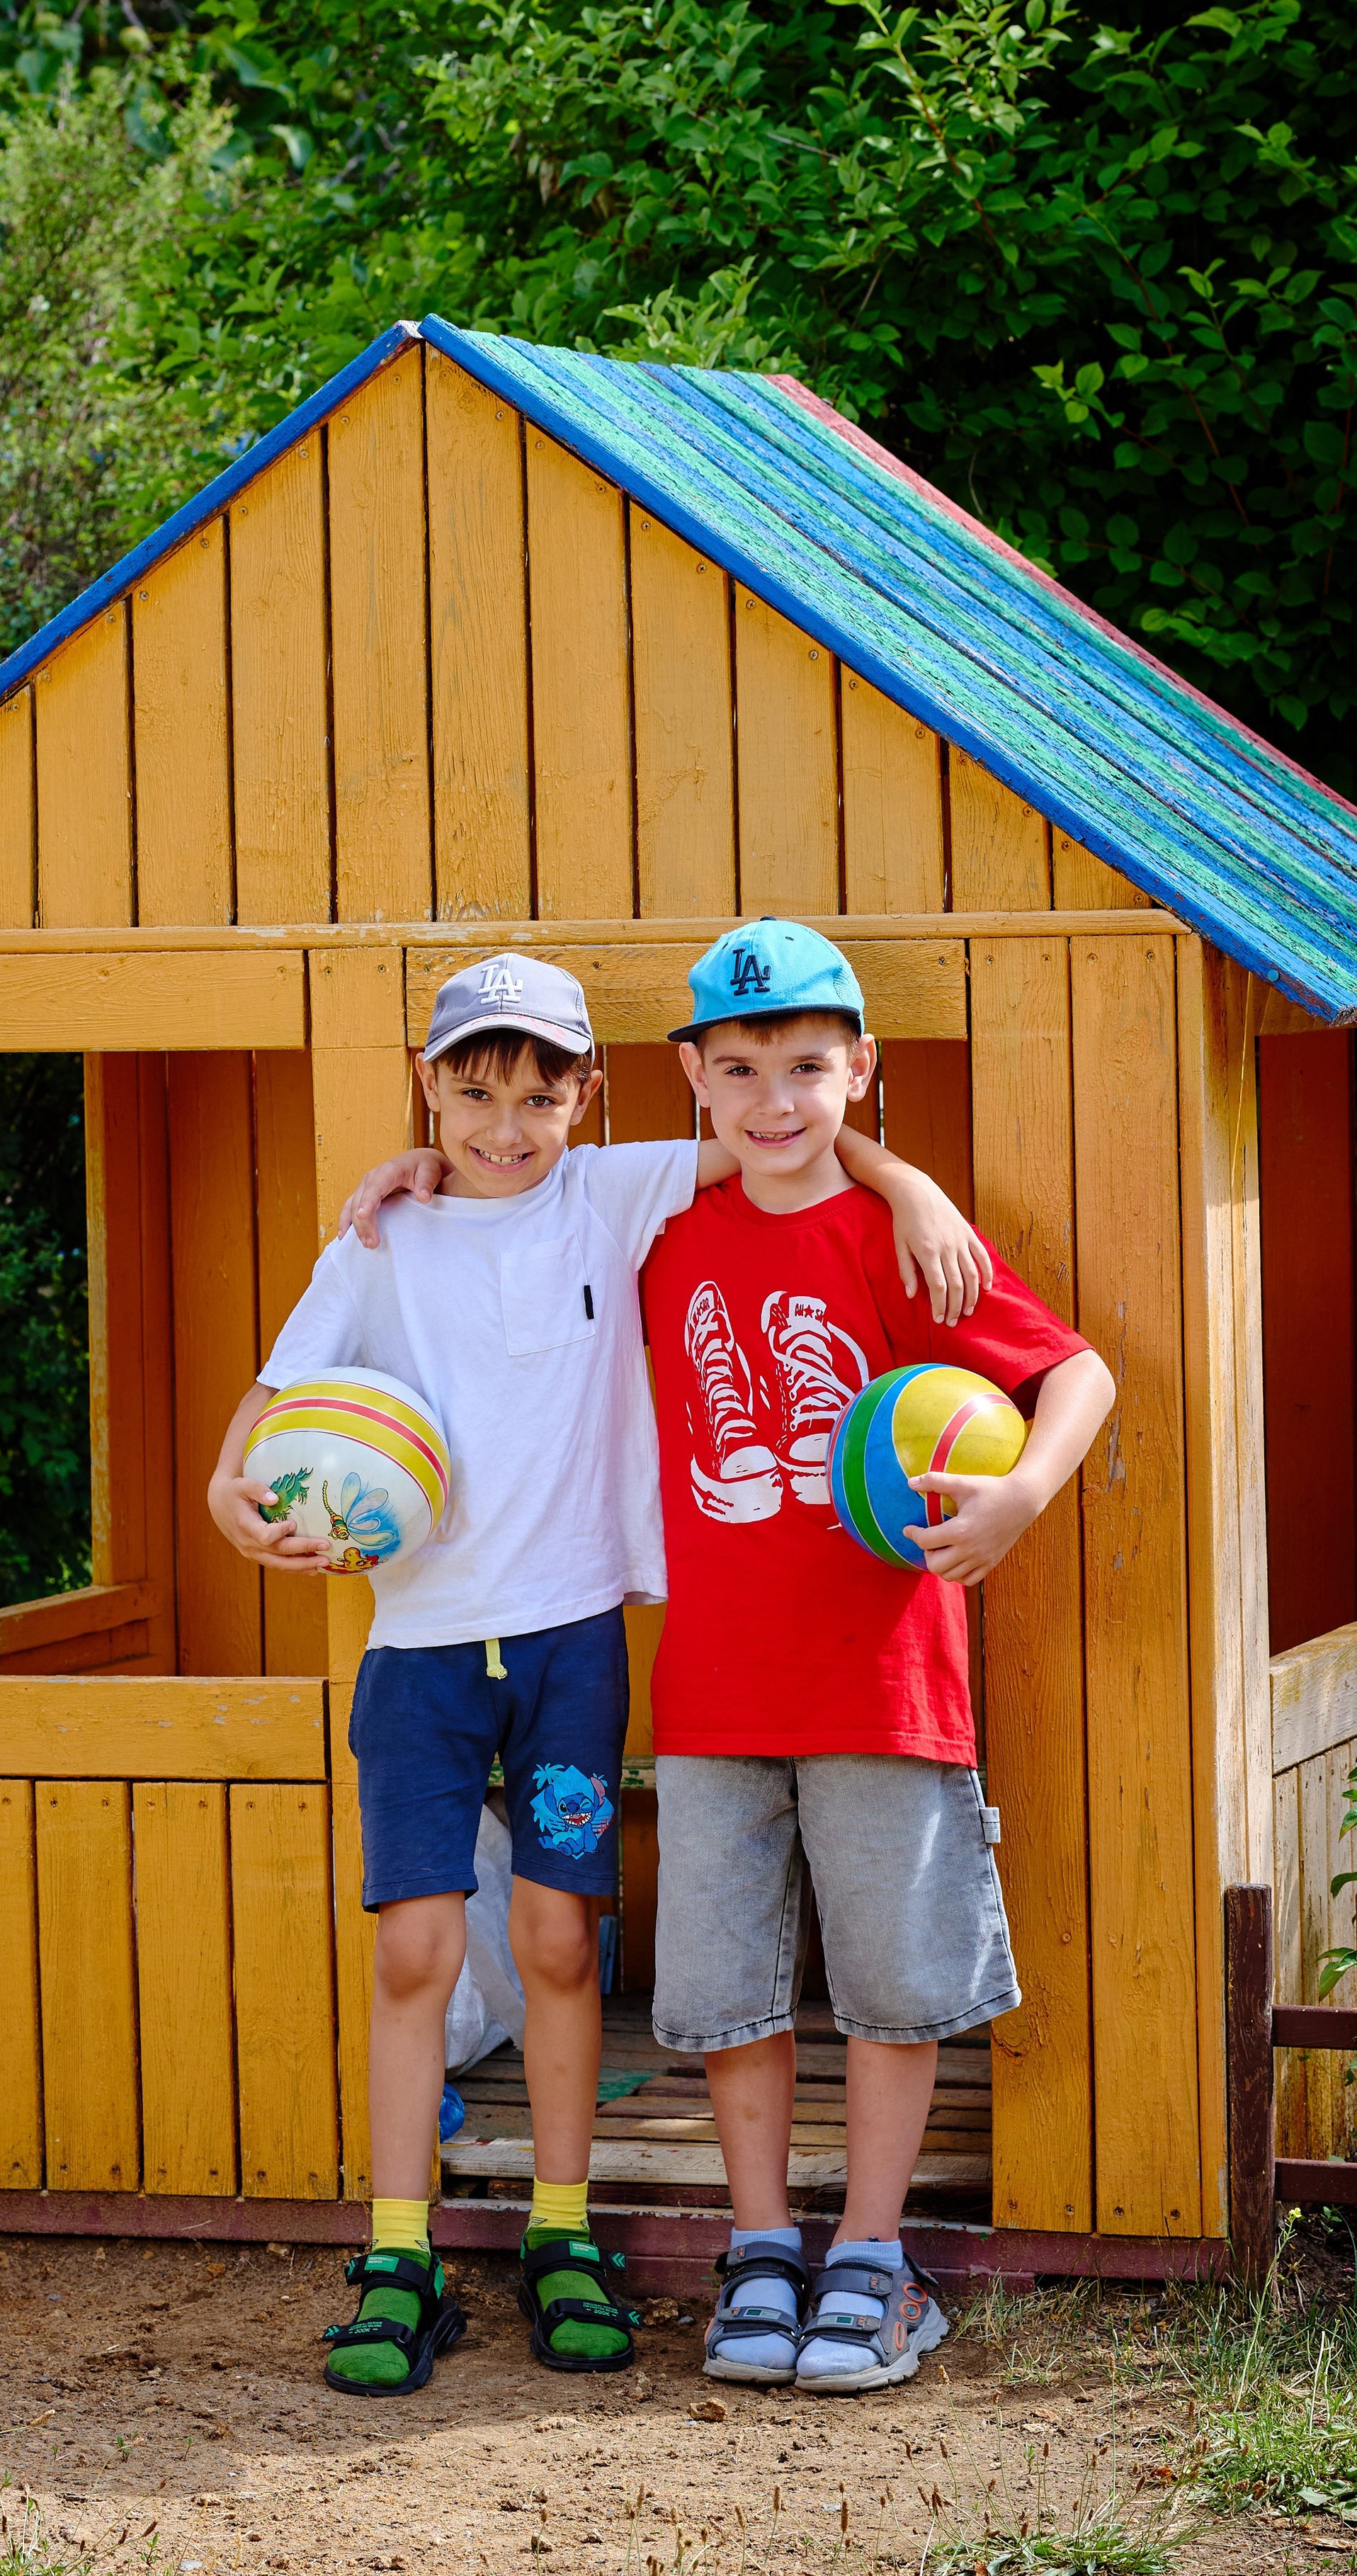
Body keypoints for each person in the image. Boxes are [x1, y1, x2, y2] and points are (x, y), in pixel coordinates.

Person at [209, 953, 989, 2399]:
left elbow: (796, 1132)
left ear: (587, 1093)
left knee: (563, 1945)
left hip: (569, 1636)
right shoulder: (378, 1242)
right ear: (428, 1079)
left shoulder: (613, 1189)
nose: (503, 1123)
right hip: (419, 1649)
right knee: (412, 1950)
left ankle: (559, 2235)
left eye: (536, 1091)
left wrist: (911, 1189)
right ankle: (398, 2255)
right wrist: (222, 1487)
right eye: (471, 1087)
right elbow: (275, 1393)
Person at [637, 918, 1115, 2394]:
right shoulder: (656, 1231)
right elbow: (508, 1205)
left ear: (859, 1066)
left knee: (894, 1985)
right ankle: (761, 2244)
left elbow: (1073, 1369)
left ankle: (870, 2254)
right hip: (713, 1688)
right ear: (691, 1083)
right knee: (728, 1990)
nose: (774, 1100)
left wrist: (1022, 1495)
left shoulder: (901, 1240)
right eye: (739, 1071)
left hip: (885, 1681)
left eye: (803, 1067)